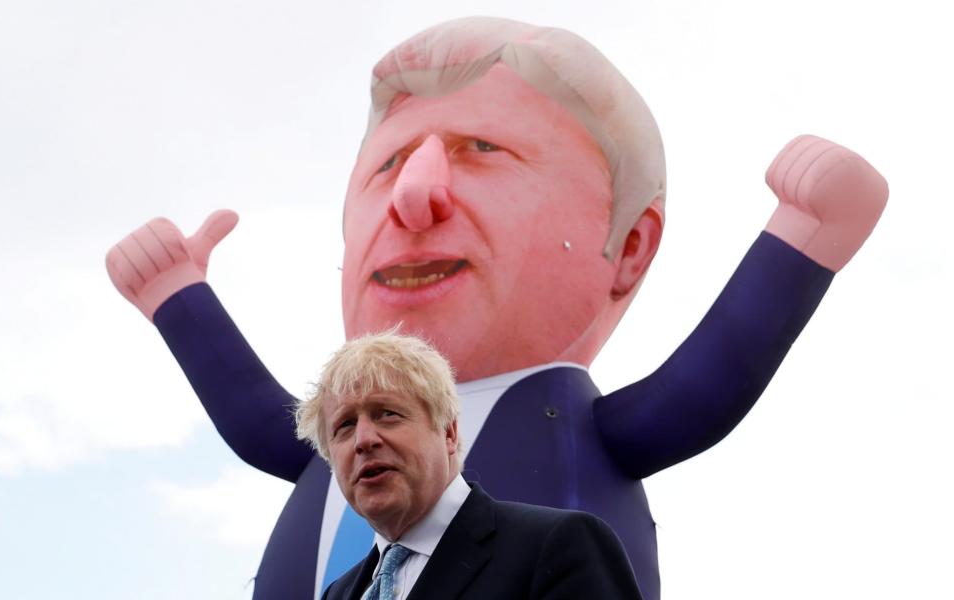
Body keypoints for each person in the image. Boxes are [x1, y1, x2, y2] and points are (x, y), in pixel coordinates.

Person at [105, 17, 887, 600]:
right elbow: (258, 420)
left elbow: (707, 386)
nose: (415, 195)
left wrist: (807, 236)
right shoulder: (349, 555)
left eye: (484, 151)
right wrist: (179, 298)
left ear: (633, 245)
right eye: (390, 165)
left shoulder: (565, 534)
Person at [296, 330, 643, 600]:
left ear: (448, 432)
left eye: (387, 414)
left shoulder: (557, 546)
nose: (363, 439)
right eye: (344, 426)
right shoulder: (339, 594)